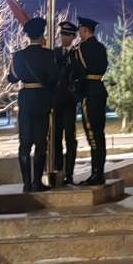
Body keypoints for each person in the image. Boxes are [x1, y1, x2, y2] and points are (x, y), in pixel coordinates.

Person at [9, 16, 60, 193]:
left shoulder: (19, 56)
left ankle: (26, 184)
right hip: (42, 99)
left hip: (25, 99)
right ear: (42, 35)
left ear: (28, 36)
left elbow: (12, 78)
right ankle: (37, 182)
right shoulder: (49, 55)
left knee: (24, 143)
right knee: (40, 142)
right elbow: (54, 77)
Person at [75, 16, 110, 186]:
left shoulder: (81, 48)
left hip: (88, 92)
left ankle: (96, 174)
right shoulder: (101, 47)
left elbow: (79, 72)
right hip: (100, 90)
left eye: (80, 31)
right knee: (99, 134)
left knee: (92, 135)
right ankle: (99, 172)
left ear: (85, 30)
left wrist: (77, 91)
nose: (79, 34)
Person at [52, 20, 80, 185]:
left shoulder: (76, 54)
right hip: (55, 101)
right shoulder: (54, 53)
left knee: (70, 138)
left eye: (68, 35)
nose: (64, 38)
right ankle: (58, 168)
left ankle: (69, 173)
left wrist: (76, 94)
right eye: (63, 34)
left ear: (73, 37)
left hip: (69, 102)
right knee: (55, 137)